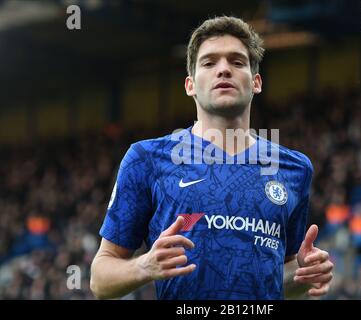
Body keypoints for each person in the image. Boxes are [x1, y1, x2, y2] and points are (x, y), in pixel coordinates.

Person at [90, 16, 333, 300]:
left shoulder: (295, 168)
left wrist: (304, 274)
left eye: (237, 62)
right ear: (190, 85)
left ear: (256, 82)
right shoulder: (146, 159)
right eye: (209, 63)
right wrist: (145, 266)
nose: (224, 70)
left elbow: (279, 279)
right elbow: (99, 279)